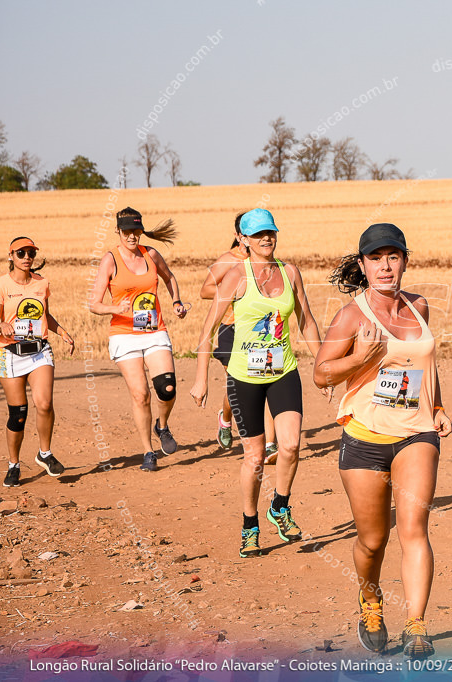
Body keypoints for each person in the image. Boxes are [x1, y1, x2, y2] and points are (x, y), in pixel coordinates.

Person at [313, 223, 452, 659]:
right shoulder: (353, 315)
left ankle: (417, 626)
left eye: (393, 256)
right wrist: (362, 357)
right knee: (372, 540)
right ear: (363, 265)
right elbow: (320, 374)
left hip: (417, 433)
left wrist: (440, 406)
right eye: (376, 258)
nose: (386, 266)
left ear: (405, 260)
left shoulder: (420, 306)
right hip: (365, 437)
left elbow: (424, 363)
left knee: (414, 529)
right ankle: (370, 601)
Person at [190, 208, 328, 559]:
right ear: (244, 239)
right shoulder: (235, 276)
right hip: (244, 378)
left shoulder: (290, 272)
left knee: (292, 446)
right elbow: (207, 332)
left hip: (283, 372)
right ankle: (249, 524)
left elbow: (307, 321)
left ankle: (279, 506)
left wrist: (324, 367)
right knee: (253, 458)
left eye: (271, 233)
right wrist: (201, 379)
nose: (267, 239)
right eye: (259, 234)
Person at [87, 208, 188, 472]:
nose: (132, 236)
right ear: (118, 232)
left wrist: (176, 302)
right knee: (141, 394)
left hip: (154, 330)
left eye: (136, 231)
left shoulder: (151, 254)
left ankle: (162, 425)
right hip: (124, 335)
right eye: (127, 231)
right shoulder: (110, 260)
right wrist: (114, 309)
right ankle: (148, 451)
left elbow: (169, 277)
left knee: (167, 389)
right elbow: (94, 305)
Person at [198, 213, 279, 459]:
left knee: (266, 380)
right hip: (231, 328)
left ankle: (269, 444)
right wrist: (235, 289)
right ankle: (225, 418)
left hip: (258, 329)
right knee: (237, 384)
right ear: (240, 236)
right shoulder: (228, 260)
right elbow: (205, 290)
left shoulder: (269, 261)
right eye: (253, 232)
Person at [0, 237, 75, 486]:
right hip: (8, 353)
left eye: (31, 252)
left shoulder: (42, 284)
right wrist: (1, 324)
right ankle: (13, 464)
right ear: (11, 256)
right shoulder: (2, 285)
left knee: (44, 404)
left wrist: (62, 332)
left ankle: (45, 453)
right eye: (21, 253)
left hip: (39, 351)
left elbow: (45, 315)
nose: (27, 257)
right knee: (18, 415)